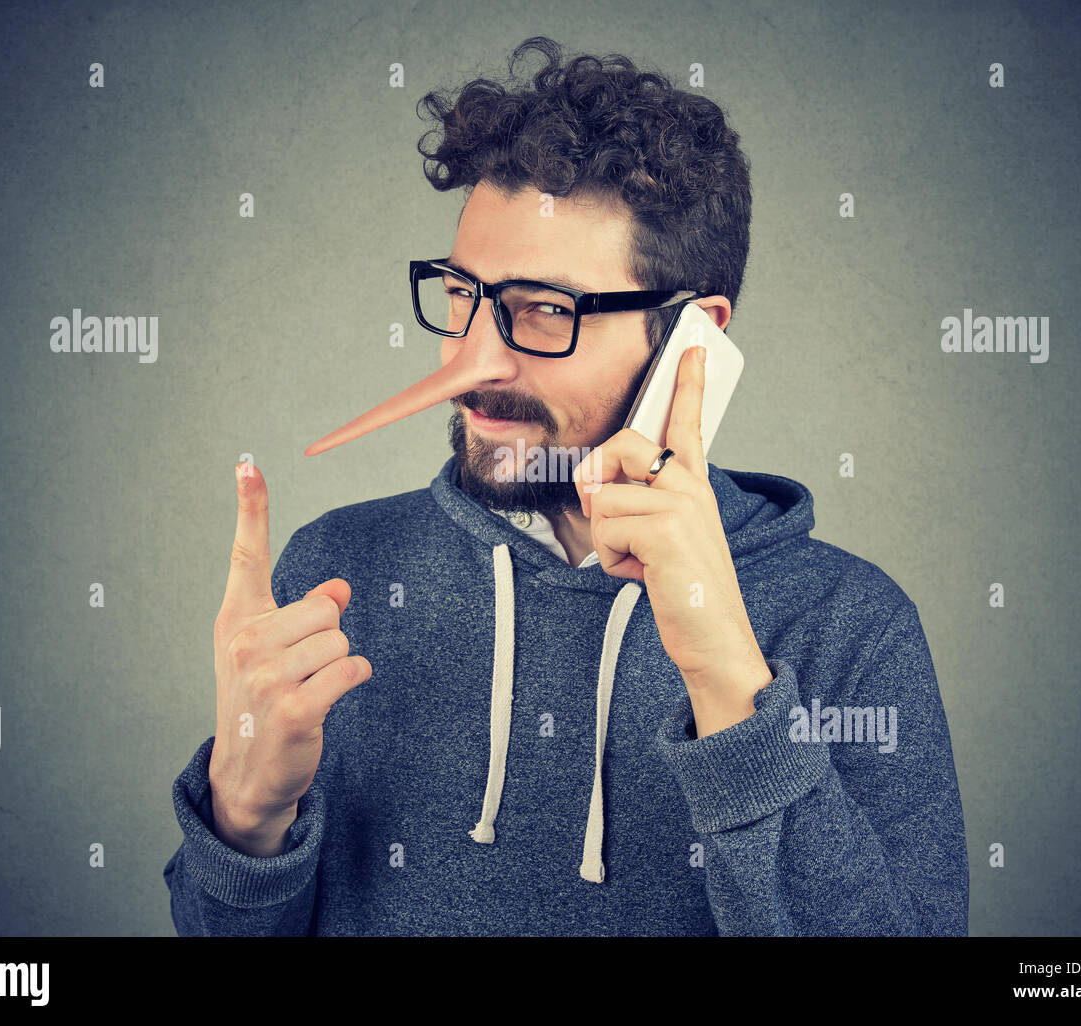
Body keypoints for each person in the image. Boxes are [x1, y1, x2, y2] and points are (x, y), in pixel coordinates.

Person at [163, 36, 968, 936]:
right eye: (463, 293)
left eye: (545, 309)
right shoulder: (336, 575)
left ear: (691, 338)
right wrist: (245, 818)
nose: (475, 359)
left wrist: (730, 681)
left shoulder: (848, 623)